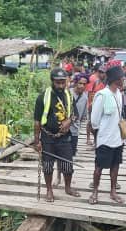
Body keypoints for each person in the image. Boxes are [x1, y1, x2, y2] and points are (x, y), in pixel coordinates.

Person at [33, 68, 81, 203]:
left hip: (65, 137)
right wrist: (37, 141)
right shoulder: (42, 97)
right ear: (52, 82)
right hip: (48, 137)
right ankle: (49, 189)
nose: (60, 86)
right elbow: (37, 121)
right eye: (57, 83)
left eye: (63, 82)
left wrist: (68, 121)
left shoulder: (69, 96)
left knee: (67, 164)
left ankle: (68, 187)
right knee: (47, 165)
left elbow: (75, 115)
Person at [89, 65, 126, 204]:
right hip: (104, 139)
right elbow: (94, 121)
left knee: (115, 165)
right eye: (122, 78)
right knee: (99, 167)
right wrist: (99, 135)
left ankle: (113, 192)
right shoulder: (102, 95)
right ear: (116, 79)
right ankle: (95, 192)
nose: (124, 80)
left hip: (118, 139)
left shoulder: (118, 94)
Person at [57, 73, 90, 188]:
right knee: (60, 154)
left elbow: (84, 116)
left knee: (70, 156)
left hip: (75, 130)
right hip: (63, 129)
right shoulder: (67, 93)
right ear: (75, 82)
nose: (81, 86)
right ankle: (58, 176)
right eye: (80, 83)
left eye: (84, 84)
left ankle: (67, 179)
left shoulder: (85, 97)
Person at [86, 64, 107, 145]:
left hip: (102, 106)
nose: (102, 74)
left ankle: (97, 141)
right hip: (93, 105)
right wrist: (90, 104)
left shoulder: (106, 83)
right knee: (91, 123)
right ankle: (91, 139)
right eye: (100, 72)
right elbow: (90, 93)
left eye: (103, 72)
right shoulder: (95, 81)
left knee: (100, 124)